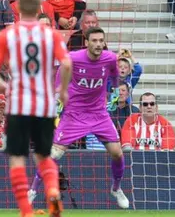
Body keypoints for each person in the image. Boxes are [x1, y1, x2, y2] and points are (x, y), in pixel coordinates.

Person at [0, 0, 73, 217]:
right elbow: (66, 64)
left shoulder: (9, 34)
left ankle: (26, 211)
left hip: (18, 104)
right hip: (44, 104)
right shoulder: (51, 34)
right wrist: (63, 90)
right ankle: (53, 192)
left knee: (17, 157)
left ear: (17, 8)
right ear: (39, 8)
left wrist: (2, 86)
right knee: (44, 155)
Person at [27, 27, 130, 209]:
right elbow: (60, 75)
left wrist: (113, 90)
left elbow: (114, 76)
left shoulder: (110, 58)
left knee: (117, 152)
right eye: (95, 41)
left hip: (99, 113)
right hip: (75, 113)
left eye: (101, 41)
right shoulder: (74, 58)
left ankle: (116, 188)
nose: (98, 44)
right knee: (54, 154)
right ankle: (32, 191)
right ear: (87, 42)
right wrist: (59, 91)